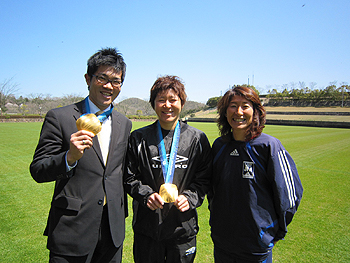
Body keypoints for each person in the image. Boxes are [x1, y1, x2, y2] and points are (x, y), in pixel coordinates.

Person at [30, 47, 132, 263]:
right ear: (88, 78)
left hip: (112, 229)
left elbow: (120, 171)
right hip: (72, 227)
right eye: (102, 78)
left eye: (116, 81)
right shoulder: (60, 117)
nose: (109, 86)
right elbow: (38, 169)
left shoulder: (125, 123)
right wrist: (69, 157)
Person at [208, 86, 303, 263]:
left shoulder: (269, 146)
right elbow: (213, 190)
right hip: (223, 243)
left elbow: (290, 195)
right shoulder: (219, 146)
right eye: (233, 105)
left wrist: (273, 230)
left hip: (256, 245)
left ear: (256, 112)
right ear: (224, 111)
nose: (238, 112)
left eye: (245, 106)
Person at [124, 75, 212, 263]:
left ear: (182, 102)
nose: (167, 105)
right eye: (161, 100)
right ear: (153, 104)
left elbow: (205, 177)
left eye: (173, 100)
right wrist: (146, 194)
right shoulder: (138, 138)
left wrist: (190, 198)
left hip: (182, 228)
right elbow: (129, 176)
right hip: (147, 228)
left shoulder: (197, 139)